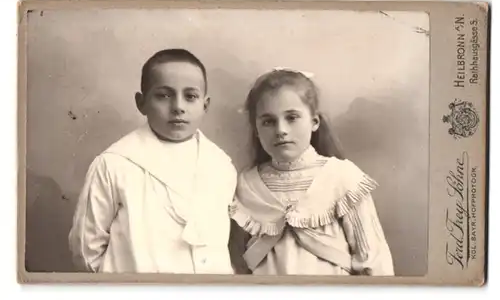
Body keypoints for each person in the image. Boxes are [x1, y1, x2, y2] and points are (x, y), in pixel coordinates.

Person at [68, 49, 237, 274]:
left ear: (205, 105)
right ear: (141, 102)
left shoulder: (221, 165)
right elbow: (86, 249)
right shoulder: (115, 163)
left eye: (190, 96)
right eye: (164, 95)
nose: (178, 106)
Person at [229, 68, 394, 276]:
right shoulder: (247, 185)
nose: (281, 130)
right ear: (256, 129)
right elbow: (237, 264)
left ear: (314, 122)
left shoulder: (342, 177)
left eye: (292, 118)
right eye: (268, 121)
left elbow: (373, 260)